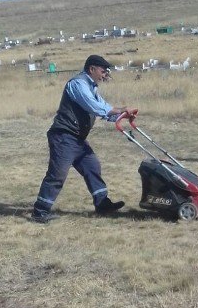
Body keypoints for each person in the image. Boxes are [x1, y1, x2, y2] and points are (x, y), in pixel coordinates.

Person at [31, 54, 136, 223]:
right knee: (57, 174)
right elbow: (93, 106)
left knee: (92, 167)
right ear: (92, 69)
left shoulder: (92, 87)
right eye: (103, 71)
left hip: (77, 139)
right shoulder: (78, 84)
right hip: (64, 136)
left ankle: (102, 204)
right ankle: (40, 211)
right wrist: (118, 110)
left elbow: (104, 108)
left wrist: (121, 115)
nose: (105, 75)